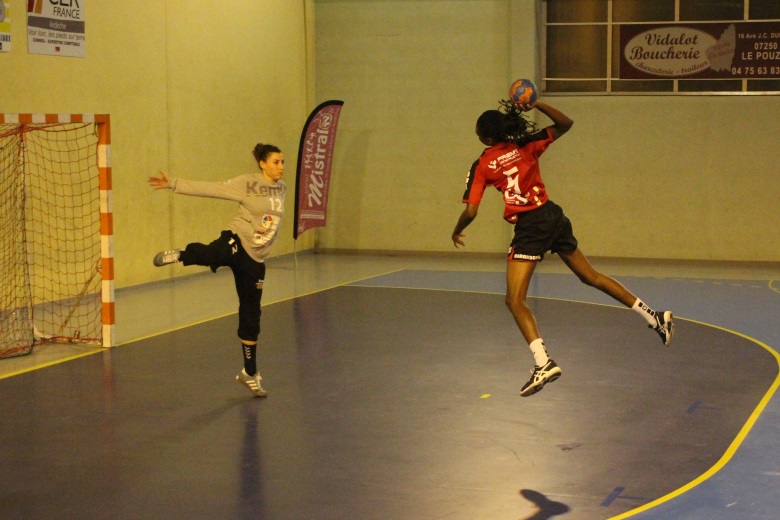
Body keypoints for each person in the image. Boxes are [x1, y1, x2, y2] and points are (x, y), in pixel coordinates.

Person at [451, 98, 674, 397]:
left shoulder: (481, 164)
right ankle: (654, 317)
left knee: (514, 301)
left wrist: (457, 230)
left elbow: (471, 211)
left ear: (487, 138)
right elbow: (566, 124)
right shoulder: (526, 144)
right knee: (590, 276)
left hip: (531, 226)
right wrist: (537, 102)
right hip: (553, 215)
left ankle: (543, 363)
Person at [148, 143, 286, 398]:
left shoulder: (282, 189)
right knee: (216, 253)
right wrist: (173, 183)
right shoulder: (248, 183)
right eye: (276, 162)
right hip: (238, 240)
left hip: (256, 259)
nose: (281, 167)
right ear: (263, 164)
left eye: (283, 162)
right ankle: (180, 254)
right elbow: (214, 189)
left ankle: (250, 373)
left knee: (251, 316)